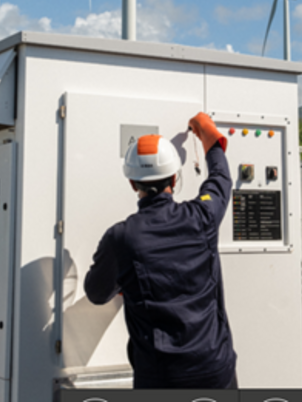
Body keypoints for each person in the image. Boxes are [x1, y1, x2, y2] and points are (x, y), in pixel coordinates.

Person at [84, 112, 237, 389]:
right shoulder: (202, 217)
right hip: (216, 369)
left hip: (160, 379)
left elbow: (96, 293)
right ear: (174, 179)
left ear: (132, 183)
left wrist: (123, 283)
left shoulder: (120, 238)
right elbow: (222, 177)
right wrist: (206, 129)